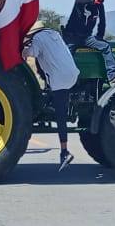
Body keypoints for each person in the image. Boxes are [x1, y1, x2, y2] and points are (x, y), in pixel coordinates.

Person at [23, 22, 78, 170]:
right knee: (55, 103)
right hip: (72, 74)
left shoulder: (38, 39)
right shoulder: (54, 34)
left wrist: (22, 48)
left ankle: (64, 152)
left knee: (61, 115)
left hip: (59, 79)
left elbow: (30, 54)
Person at [61, 0, 115, 82]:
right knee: (66, 57)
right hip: (71, 37)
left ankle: (113, 76)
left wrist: (99, 37)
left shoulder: (99, 6)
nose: (97, 3)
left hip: (86, 38)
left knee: (106, 46)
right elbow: (80, 0)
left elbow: (102, 22)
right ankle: (63, 80)